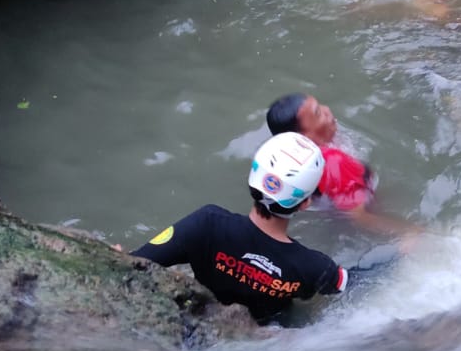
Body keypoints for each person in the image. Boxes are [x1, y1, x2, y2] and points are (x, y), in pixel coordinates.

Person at [130, 132, 348, 324]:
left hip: (203, 320)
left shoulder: (206, 224)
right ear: (305, 202)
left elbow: (137, 262)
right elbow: (349, 289)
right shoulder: (313, 267)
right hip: (270, 341)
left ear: (253, 178)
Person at [266, 92, 421, 241]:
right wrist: (406, 231)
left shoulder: (287, 158)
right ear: (305, 137)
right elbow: (359, 217)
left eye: (320, 105)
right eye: (318, 113)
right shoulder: (334, 162)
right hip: (356, 228)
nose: (327, 110)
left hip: (329, 216)